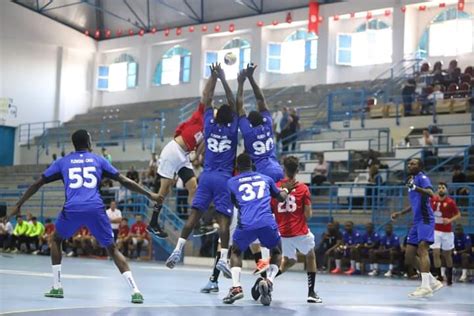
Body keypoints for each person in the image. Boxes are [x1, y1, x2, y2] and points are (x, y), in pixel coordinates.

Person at [5, 129, 161, 303]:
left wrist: (18, 204)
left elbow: (37, 183)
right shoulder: (99, 160)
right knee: (112, 249)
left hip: (72, 209)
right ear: (88, 143)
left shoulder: (63, 162)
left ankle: (57, 287)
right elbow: (124, 181)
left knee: (56, 239)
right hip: (95, 208)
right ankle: (135, 291)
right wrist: (150, 194)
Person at [165, 63, 237, 278]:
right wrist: (225, 79)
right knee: (224, 221)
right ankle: (223, 259)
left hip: (206, 177)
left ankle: (177, 249)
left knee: (194, 216)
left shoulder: (209, 125)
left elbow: (206, 97)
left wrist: (214, 76)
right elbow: (234, 102)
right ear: (231, 118)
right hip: (224, 178)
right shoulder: (233, 130)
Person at [148, 62, 214, 239]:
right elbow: (207, 94)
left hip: (184, 156)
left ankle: (196, 224)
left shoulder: (208, 130)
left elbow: (201, 147)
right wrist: (214, 76)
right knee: (164, 190)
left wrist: (197, 156)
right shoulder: (200, 114)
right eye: (211, 111)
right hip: (173, 150)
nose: (212, 114)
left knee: (194, 187)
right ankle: (153, 222)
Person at [223, 153, 294, 306]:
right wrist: (286, 190)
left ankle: (236, 287)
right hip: (267, 222)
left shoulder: (231, 182)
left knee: (236, 251)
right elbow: (281, 198)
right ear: (252, 165)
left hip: (246, 223)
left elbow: (235, 203)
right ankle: (269, 281)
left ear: (237, 167)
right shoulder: (266, 178)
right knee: (276, 251)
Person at [269, 156, 322, 303]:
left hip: (281, 233)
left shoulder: (275, 187)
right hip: (299, 232)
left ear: (283, 169)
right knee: (310, 255)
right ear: (297, 170)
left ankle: (268, 280)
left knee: (290, 260)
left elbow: (271, 209)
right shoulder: (303, 188)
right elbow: (308, 215)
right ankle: (311, 293)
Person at [391, 158, 443, 297]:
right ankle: (432, 281)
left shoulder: (422, 178)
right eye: (409, 163)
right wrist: (400, 213)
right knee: (409, 256)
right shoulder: (412, 179)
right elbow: (414, 202)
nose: (410, 165)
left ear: (420, 166)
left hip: (426, 219)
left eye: (413, 163)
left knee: (422, 249)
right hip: (416, 221)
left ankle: (425, 287)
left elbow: (431, 194)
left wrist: (415, 187)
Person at [237, 63, 284, 183]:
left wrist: (241, 83)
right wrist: (251, 78)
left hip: (262, 173)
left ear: (250, 123)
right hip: (277, 169)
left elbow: (239, 107)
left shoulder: (248, 132)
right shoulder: (268, 124)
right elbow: (261, 99)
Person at [430, 182, 461, 286]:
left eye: (442, 188)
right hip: (436, 231)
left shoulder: (450, 202)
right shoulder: (433, 200)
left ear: (446, 190)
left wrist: (450, 220)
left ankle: (449, 277)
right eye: (439, 188)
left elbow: (458, 214)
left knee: (447, 255)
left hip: (447, 232)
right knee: (435, 253)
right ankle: (439, 276)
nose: (440, 189)